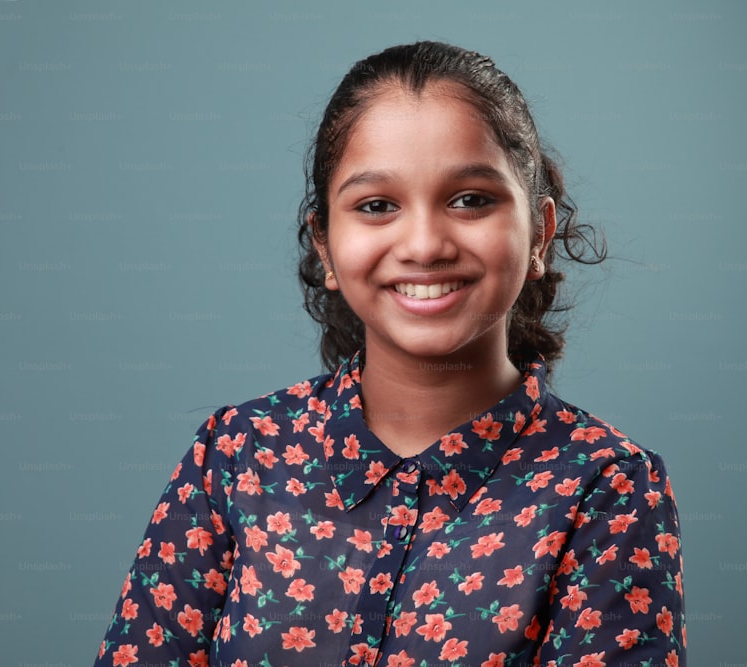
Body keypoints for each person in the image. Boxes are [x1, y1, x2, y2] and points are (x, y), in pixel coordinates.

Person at [91, 41, 685, 667]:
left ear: (539, 232)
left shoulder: (605, 486)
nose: (425, 244)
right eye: (377, 206)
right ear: (325, 244)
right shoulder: (239, 454)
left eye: (470, 200)